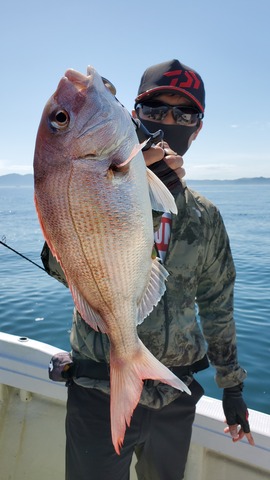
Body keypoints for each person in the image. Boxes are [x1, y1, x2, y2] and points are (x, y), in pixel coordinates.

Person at [43, 59, 254, 480]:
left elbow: (217, 306)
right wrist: (140, 197)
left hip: (174, 397)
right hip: (97, 392)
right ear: (133, 115)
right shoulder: (96, 176)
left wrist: (231, 387)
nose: (169, 121)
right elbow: (60, 266)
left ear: (198, 129)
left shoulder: (205, 217)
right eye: (156, 110)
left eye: (185, 113)